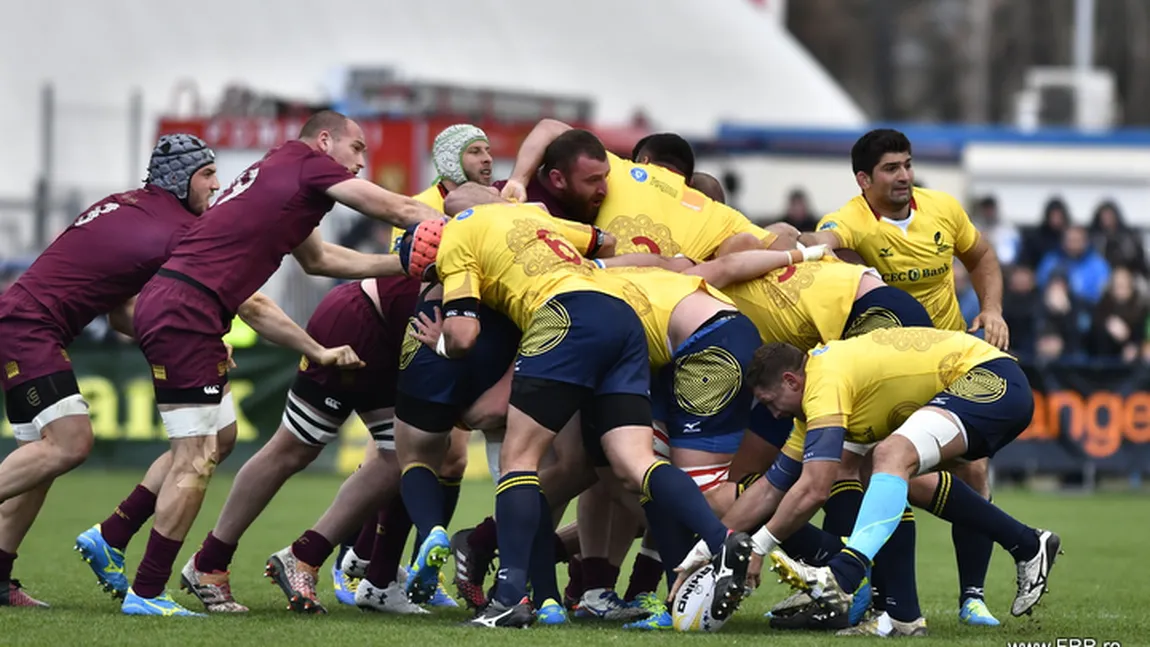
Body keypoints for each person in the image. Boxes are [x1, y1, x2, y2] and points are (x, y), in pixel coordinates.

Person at [86, 110, 441, 617]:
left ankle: (117, 535)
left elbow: (320, 261)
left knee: (218, 441)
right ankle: (151, 587)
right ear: (325, 141)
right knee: (198, 454)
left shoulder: (285, 182)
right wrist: (456, 228)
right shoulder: (306, 162)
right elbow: (386, 204)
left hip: (195, 309)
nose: (362, 162)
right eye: (357, 148)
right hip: (187, 306)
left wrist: (400, 264)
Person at [403, 184, 756, 628]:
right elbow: (603, 240)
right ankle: (721, 542)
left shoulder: (459, 233)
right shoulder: (535, 218)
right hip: (621, 316)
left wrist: (439, 345)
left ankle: (511, 596)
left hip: (562, 315)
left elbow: (463, 335)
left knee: (519, 459)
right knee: (635, 463)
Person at [798, 128, 1009, 625]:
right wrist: (804, 244)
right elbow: (822, 243)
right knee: (864, 473)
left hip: (949, 363)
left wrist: (993, 308)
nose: (904, 177)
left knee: (974, 469)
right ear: (863, 179)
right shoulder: (849, 220)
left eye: (908, 165)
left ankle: (973, 597)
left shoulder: (943, 209)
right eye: (891, 169)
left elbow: (981, 257)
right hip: (885, 376)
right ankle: (874, 596)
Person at [0, 135, 219, 608]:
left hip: (24, 320)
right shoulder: (178, 229)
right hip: (29, 326)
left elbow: (122, 311)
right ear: (181, 180)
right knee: (70, 442)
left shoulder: (128, 205)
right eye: (207, 174)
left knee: (37, 462)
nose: (216, 185)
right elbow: (248, 301)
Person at [754, 329, 1060, 635]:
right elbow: (776, 486)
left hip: (991, 378)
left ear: (791, 380)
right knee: (880, 469)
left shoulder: (824, 377)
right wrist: (711, 551)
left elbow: (813, 488)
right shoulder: (823, 381)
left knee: (891, 453)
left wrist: (757, 546)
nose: (774, 413)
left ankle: (844, 573)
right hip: (978, 383)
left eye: (769, 401)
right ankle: (902, 616)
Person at [172, 275, 420, 614]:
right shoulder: (488, 242)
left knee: (402, 455)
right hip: (359, 321)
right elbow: (312, 263)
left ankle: (306, 555)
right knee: (293, 448)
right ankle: (208, 563)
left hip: (387, 331)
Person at [332, 123, 496, 610]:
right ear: (450, 159)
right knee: (392, 458)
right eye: (475, 151)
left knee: (452, 459)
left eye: (489, 150)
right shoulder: (421, 206)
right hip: (423, 341)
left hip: (462, 340)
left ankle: (411, 565)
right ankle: (356, 557)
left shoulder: (493, 203)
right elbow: (408, 281)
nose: (487, 159)